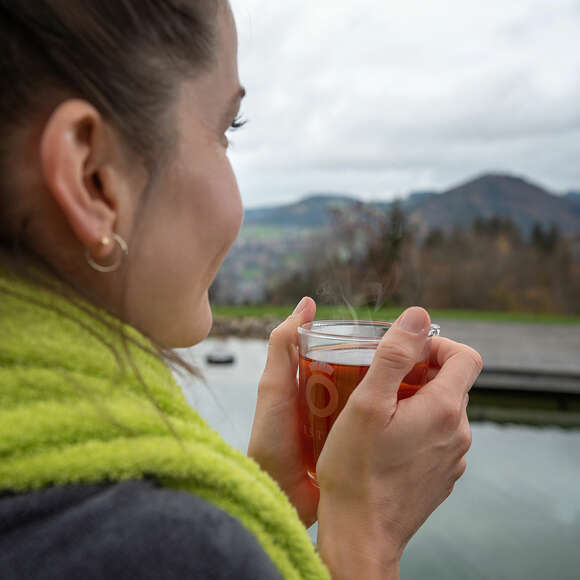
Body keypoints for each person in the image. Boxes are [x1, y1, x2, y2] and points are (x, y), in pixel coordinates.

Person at [0, 1, 483, 579]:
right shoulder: (153, 546)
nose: (238, 201)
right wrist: (365, 535)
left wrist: (266, 502)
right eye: (227, 130)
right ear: (93, 179)